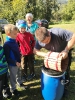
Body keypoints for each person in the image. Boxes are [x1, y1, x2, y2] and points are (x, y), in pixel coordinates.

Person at [34, 27, 75, 94]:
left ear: (49, 33)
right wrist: (47, 55)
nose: (46, 43)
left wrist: (66, 50)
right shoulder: (40, 41)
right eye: (44, 42)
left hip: (64, 52)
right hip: (54, 55)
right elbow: (35, 51)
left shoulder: (58, 32)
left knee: (65, 70)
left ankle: (65, 85)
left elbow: (74, 36)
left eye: (47, 41)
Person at [3, 24, 27, 97]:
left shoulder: (14, 40)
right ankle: (13, 89)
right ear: (8, 33)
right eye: (15, 34)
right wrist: (14, 62)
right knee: (13, 77)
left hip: (18, 62)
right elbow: (7, 57)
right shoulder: (7, 44)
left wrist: (19, 54)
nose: (17, 35)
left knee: (18, 74)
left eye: (17, 33)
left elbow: (16, 50)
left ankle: (19, 83)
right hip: (13, 64)